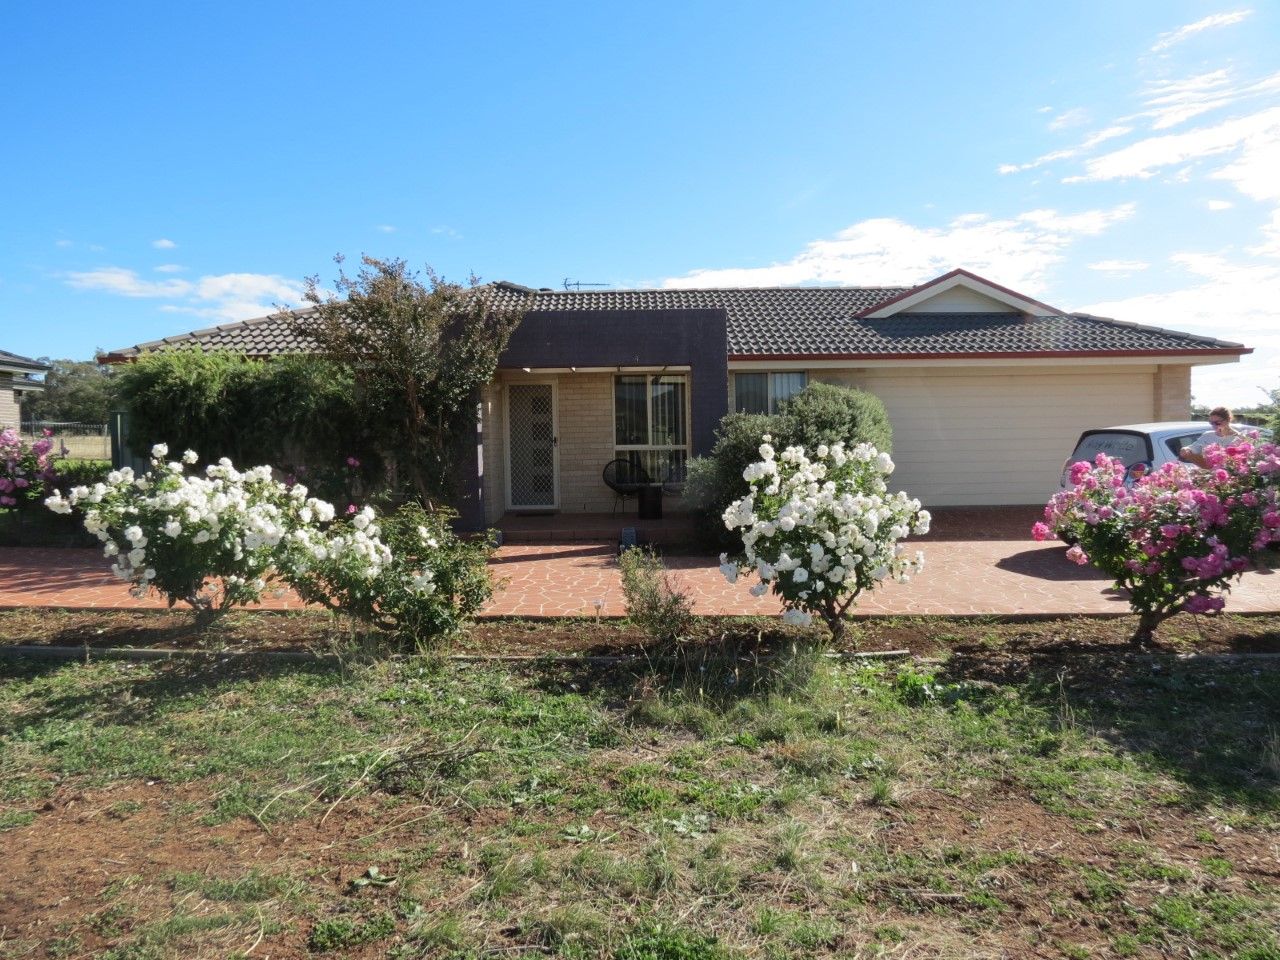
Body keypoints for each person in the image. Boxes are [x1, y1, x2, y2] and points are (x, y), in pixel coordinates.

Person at [1179, 407, 1244, 468]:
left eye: (1217, 422)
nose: (1214, 425)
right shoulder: (1207, 435)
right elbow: (1193, 448)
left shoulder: (1239, 438)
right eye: (1211, 423)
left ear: (1228, 420)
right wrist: (1186, 449)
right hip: (1208, 475)